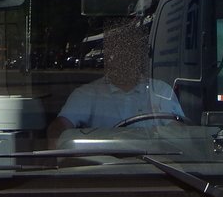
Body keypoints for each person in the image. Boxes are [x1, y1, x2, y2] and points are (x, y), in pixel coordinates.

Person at [49, 17, 184, 147]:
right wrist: (56, 149)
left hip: (154, 167)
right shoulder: (87, 94)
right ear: (107, 57)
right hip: (102, 167)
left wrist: (167, 133)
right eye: (116, 51)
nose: (122, 58)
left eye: (129, 50)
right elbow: (60, 126)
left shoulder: (160, 91)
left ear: (140, 55)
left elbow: (180, 135)